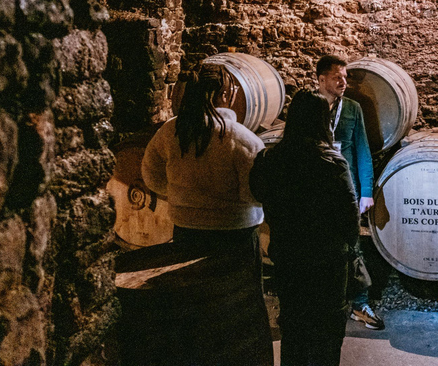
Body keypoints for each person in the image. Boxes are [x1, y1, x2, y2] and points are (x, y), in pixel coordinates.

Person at [141, 62, 273, 366]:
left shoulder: (171, 130)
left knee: (193, 311)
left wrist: (176, 195)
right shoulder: (242, 139)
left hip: (186, 232)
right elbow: (252, 194)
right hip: (234, 238)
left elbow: (150, 174)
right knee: (235, 314)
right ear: (223, 92)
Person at [249, 89, 360, 366]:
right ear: (322, 120)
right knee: (327, 332)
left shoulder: (271, 159)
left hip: (288, 255)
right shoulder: (332, 162)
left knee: (294, 328)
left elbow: (258, 193)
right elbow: (350, 217)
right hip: (328, 261)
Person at [315, 54, 385, 331]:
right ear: (321, 80)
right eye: (337, 77)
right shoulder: (309, 106)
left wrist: (366, 191)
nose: (344, 82)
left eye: (345, 77)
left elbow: (363, 150)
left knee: (353, 247)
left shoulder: (353, 108)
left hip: (347, 190)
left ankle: (360, 304)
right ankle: (323, 302)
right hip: (317, 190)